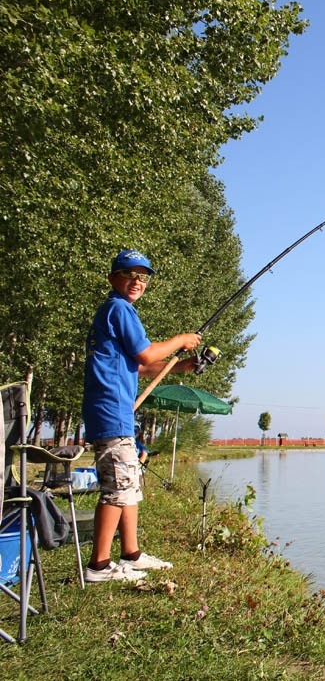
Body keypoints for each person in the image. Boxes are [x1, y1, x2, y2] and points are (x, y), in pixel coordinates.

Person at [82, 249, 202, 583]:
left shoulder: (117, 311)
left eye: (143, 276)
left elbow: (143, 365)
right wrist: (181, 339)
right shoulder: (119, 308)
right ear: (112, 278)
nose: (137, 282)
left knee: (129, 485)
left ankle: (131, 555)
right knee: (117, 489)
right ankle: (98, 567)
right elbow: (147, 352)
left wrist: (181, 364)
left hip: (116, 411)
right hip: (111, 409)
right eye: (129, 274)